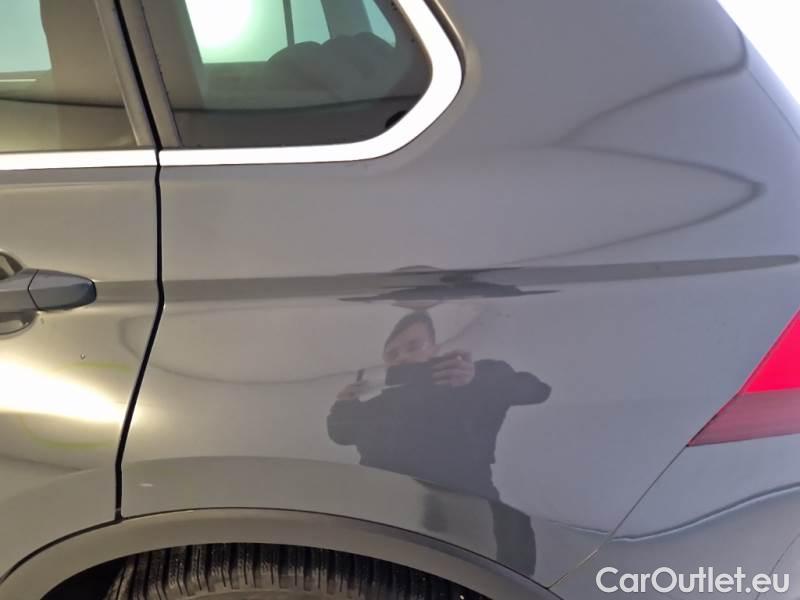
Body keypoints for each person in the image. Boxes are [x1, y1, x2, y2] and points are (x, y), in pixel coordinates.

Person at [327, 310, 551, 574]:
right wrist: (344, 404)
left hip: (469, 512)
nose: (402, 357)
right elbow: (341, 436)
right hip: (387, 518)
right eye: (392, 354)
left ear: (434, 348)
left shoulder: (472, 380)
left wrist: (477, 378)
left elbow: (538, 391)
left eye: (413, 346)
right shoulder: (378, 404)